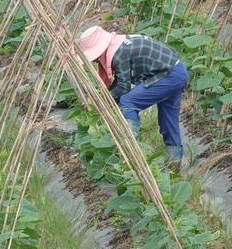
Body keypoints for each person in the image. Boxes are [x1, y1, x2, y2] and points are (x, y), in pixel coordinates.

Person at [79, 25, 188, 168]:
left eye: (94, 58)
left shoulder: (118, 53)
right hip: (176, 71)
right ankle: (174, 166)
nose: (94, 61)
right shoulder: (119, 44)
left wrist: (101, 102)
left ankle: (131, 147)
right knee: (168, 120)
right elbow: (120, 82)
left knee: (128, 101)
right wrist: (103, 98)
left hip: (169, 75)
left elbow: (123, 88)